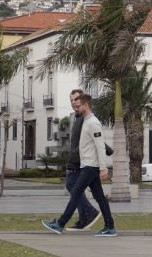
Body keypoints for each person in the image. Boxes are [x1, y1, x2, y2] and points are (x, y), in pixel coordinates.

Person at [43, 93, 116, 236]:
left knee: (76, 193)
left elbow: (100, 146)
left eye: (78, 105)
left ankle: (60, 224)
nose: (76, 107)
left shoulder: (93, 123)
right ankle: (110, 227)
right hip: (88, 165)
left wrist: (103, 168)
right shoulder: (86, 121)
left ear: (86, 105)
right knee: (99, 197)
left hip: (91, 166)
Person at [61, 88, 100, 231]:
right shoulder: (78, 117)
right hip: (76, 159)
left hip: (79, 161)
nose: (73, 102)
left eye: (76, 99)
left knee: (73, 187)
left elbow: (94, 136)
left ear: (83, 101)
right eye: (71, 100)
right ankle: (85, 217)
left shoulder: (85, 118)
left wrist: (106, 149)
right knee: (77, 189)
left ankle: (89, 212)